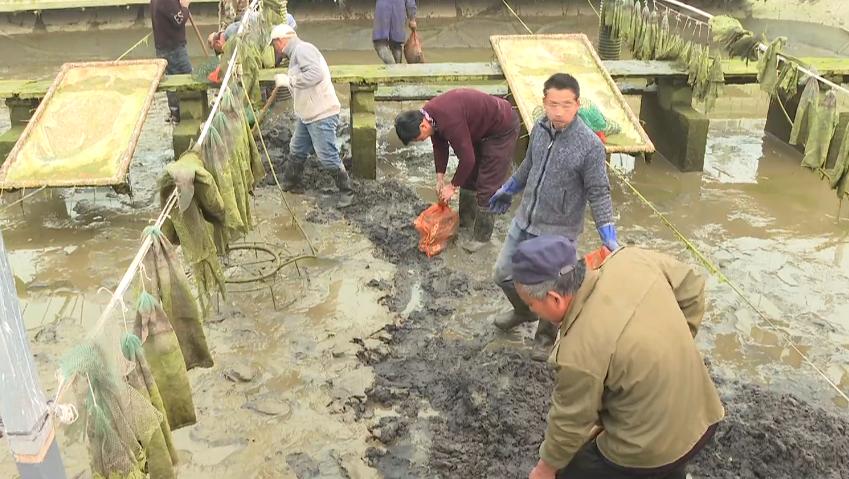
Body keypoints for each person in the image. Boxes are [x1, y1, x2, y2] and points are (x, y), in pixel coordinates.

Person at [510, 236, 725, 479]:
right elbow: (693, 288)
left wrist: (544, 470)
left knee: (571, 472)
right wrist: (672, 344)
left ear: (554, 298)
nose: (532, 311)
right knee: (669, 459)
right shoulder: (630, 259)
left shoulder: (577, 351)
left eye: (530, 305)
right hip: (703, 414)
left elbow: (570, 423)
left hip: (650, 450)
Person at [487, 73, 619, 360]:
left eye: (567, 105)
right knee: (502, 274)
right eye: (553, 104)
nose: (559, 112)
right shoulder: (539, 129)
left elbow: (599, 192)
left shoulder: (590, 147)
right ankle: (524, 311)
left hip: (558, 231)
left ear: (577, 104)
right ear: (544, 102)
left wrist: (607, 233)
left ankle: (545, 337)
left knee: (551, 287)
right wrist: (508, 188)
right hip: (525, 219)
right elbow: (528, 167)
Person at [394, 89, 520, 251]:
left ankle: (482, 237)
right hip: (479, 130)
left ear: (422, 125)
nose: (420, 141)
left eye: (418, 139)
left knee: (486, 185)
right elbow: (440, 146)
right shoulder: (430, 116)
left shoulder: (448, 119)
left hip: (501, 129)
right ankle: (466, 223)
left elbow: (467, 159)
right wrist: (440, 179)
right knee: (468, 178)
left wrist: (452, 187)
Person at [269, 24, 354, 208]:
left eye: (274, 45)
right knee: (297, 147)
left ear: (280, 41)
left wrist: (289, 80)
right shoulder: (297, 53)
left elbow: (316, 74)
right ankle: (292, 183)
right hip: (308, 114)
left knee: (326, 155)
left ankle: (347, 192)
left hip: (321, 114)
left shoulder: (302, 50)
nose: (274, 49)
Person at [150, 0, 193, 123]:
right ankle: (188, 112)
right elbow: (178, 20)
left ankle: (175, 112)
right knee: (188, 78)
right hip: (174, 48)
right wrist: (185, 7)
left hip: (162, 47)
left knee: (171, 81)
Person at [373, 0, 416, 64]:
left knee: (380, 44)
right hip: (399, 10)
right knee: (396, 45)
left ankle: (393, 67)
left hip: (383, 9)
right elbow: (410, 2)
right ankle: (397, 68)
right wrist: (412, 19)